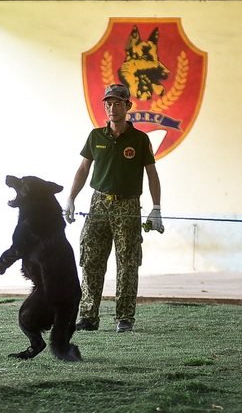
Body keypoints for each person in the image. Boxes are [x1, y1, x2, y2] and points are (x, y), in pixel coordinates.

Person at [63, 84, 162, 333]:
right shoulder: (96, 136)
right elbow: (84, 169)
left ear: (128, 106)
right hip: (98, 203)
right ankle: (87, 317)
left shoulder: (140, 139)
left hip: (128, 204)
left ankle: (125, 318)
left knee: (127, 262)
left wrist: (156, 207)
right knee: (91, 259)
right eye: (108, 103)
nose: (112, 108)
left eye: (118, 103)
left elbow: (152, 174)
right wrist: (71, 198)